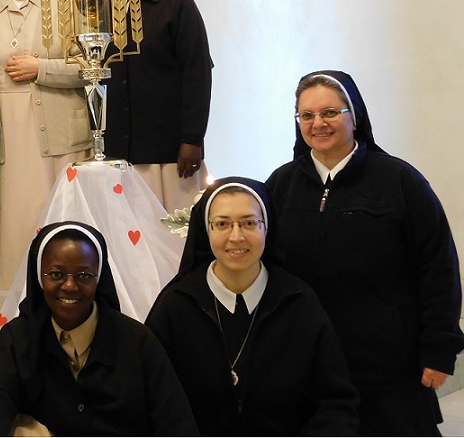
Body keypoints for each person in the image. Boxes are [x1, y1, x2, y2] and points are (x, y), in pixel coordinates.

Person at [266, 70, 464, 435]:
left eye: (330, 112)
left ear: (354, 115)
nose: (318, 124)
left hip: (389, 366)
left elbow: (438, 269)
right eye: (307, 115)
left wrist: (439, 350)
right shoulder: (280, 186)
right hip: (311, 363)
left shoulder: (400, 181)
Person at [145, 177, 360, 435]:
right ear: (206, 229)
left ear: (266, 227)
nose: (236, 237)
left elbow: (335, 402)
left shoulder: (299, 303)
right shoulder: (176, 305)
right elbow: (152, 402)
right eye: (222, 224)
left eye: (248, 223)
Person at [0, 221, 198, 436]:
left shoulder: (138, 342)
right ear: (39, 277)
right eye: (56, 274)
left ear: (99, 278)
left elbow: (177, 425)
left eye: (84, 276)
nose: (69, 286)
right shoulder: (17, 341)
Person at [0, 0, 92, 289]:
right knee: (17, 226)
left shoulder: (65, 3)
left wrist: (41, 69)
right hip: (9, 136)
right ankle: (20, 307)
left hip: (61, 133)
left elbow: (92, 66)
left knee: (62, 222)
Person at [103, 0, 213, 213]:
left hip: (169, 147)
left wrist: (192, 139)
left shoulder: (177, 3)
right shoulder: (107, 8)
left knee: (174, 228)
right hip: (121, 149)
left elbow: (198, 74)